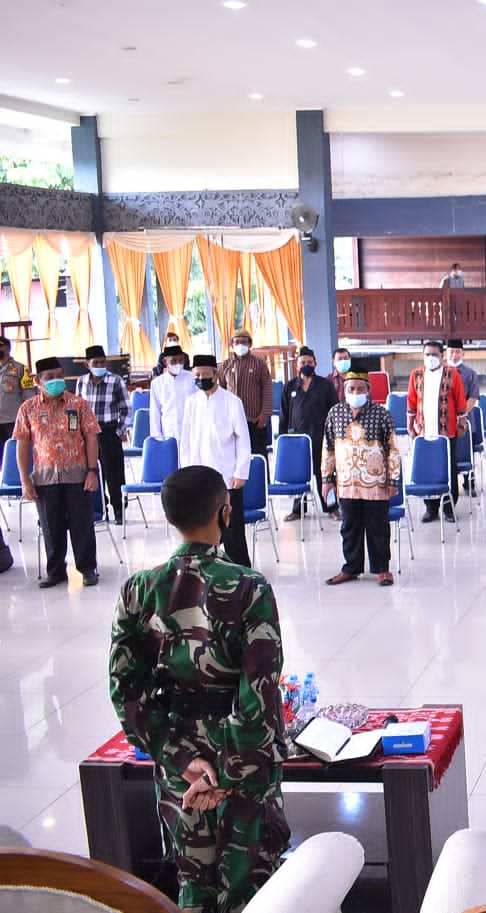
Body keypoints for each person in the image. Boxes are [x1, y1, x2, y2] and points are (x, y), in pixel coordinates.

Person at [109, 465, 288, 913]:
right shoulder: (248, 588)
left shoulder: (140, 590)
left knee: (194, 883)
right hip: (242, 773)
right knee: (252, 890)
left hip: (181, 771)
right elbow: (258, 695)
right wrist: (226, 773)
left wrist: (182, 760)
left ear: (170, 519)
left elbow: (126, 690)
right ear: (225, 515)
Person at [14, 357, 101, 587]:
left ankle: (88, 568)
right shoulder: (28, 409)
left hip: (78, 476)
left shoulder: (78, 404)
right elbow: (22, 446)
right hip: (45, 478)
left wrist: (92, 471)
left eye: (59, 376)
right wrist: (25, 480)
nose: (56, 381)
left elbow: (91, 438)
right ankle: (56, 571)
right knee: (51, 527)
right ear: (37, 380)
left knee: (82, 524)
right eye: (49, 378)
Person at [321, 373, 402, 587]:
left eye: (360, 389)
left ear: (368, 390)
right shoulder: (335, 413)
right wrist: (327, 478)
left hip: (376, 483)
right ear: (344, 390)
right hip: (347, 483)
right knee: (349, 527)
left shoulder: (382, 414)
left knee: (378, 527)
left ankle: (382, 569)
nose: (355, 393)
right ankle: (351, 567)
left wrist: (393, 479)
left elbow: (393, 448)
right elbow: (328, 448)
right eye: (351, 389)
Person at [181, 355, 252, 567]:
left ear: (216, 374)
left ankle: (242, 573)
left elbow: (243, 440)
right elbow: (185, 441)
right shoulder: (191, 403)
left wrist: (241, 472)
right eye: (197, 376)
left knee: (232, 532)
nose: (201, 379)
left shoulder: (232, 402)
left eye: (205, 375)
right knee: (202, 529)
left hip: (227, 478)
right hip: (199, 478)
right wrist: (186, 472)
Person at [406, 339, 468, 523]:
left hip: (447, 433)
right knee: (427, 472)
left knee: (449, 470)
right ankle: (431, 509)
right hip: (424, 433)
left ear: (442, 356)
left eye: (434, 354)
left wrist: (462, 425)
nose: (430, 358)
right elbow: (411, 402)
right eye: (427, 354)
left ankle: (449, 509)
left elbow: (461, 403)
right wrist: (410, 426)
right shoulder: (416, 374)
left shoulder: (452, 374)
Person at [279, 347, 338, 521]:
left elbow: (334, 410)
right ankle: (298, 510)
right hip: (297, 440)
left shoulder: (325, 385)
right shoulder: (290, 386)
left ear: (315, 364)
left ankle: (332, 507)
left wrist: (334, 436)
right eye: (303, 362)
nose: (306, 365)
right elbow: (284, 414)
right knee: (299, 475)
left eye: (309, 362)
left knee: (325, 474)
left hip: (321, 438)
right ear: (297, 365)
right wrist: (283, 439)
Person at [75, 344, 129, 524]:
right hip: (87, 434)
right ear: (87, 365)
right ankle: (99, 509)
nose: (100, 365)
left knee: (114, 474)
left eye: (102, 362)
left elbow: (126, 408)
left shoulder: (115, 380)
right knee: (91, 472)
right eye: (95, 362)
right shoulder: (81, 382)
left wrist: (118, 431)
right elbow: (76, 409)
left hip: (108, 431)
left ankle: (119, 509)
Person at [218, 330, 273, 459]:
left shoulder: (259, 363)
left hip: (254, 419)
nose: (240, 345)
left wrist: (264, 414)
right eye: (237, 342)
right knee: (234, 458)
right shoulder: (225, 365)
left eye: (244, 342)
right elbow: (219, 391)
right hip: (231, 421)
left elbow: (267, 388)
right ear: (232, 344)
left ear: (250, 344)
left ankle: (260, 479)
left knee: (258, 456)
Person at [149, 344, 197, 441]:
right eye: (173, 361)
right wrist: (158, 438)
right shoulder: (157, 383)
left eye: (180, 360)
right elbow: (155, 413)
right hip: (168, 432)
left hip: (191, 432)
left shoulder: (193, 378)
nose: (178, 364)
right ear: (165, 361)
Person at [0, 334, 36, 441]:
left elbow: (29, 396)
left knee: (14, 451)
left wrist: (28, 417)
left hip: (13, 419)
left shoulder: (21, 369)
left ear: (7, 349)